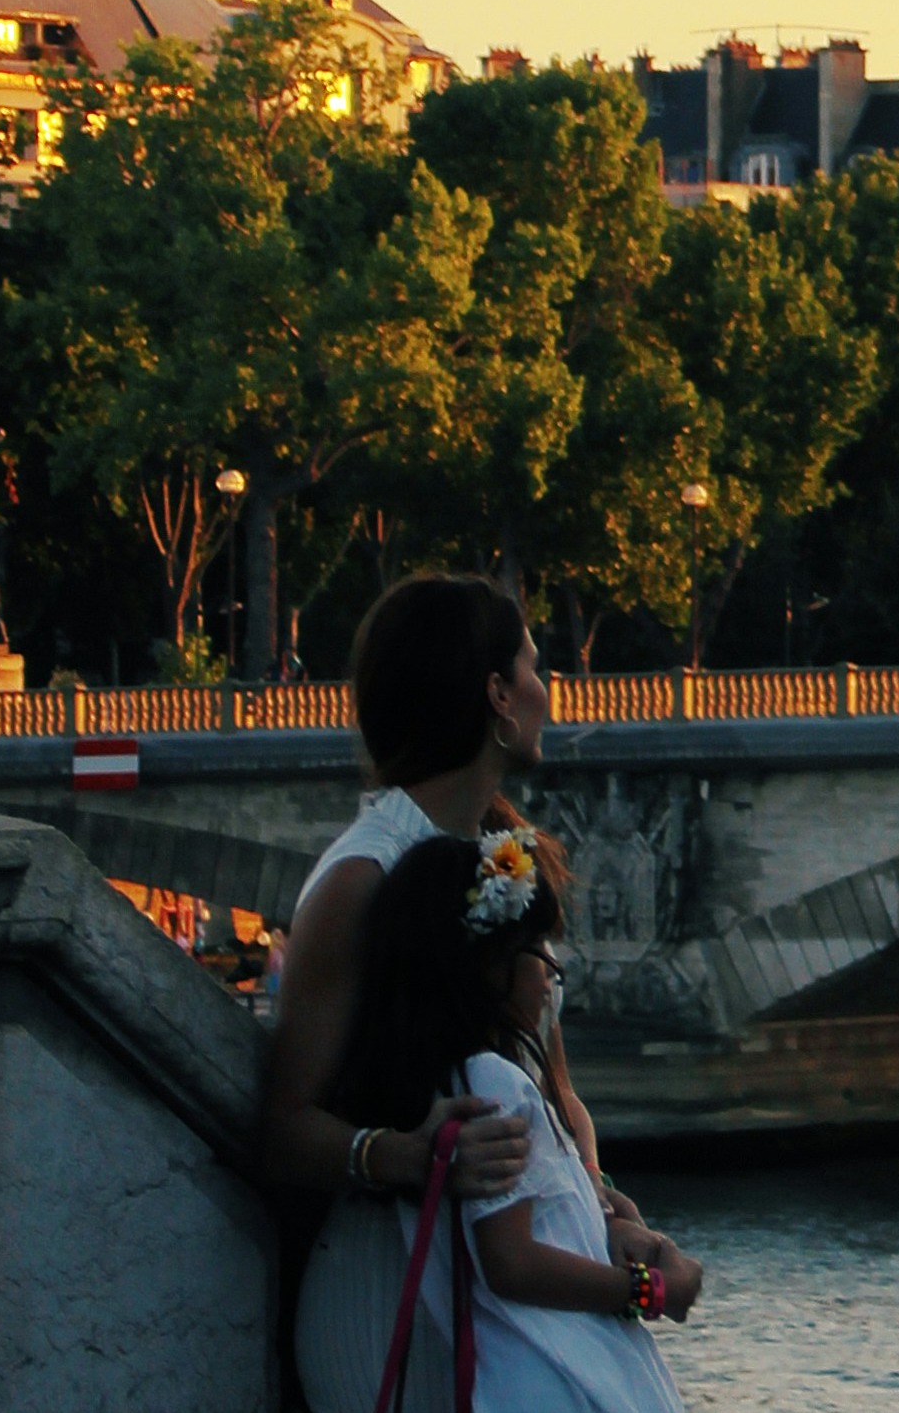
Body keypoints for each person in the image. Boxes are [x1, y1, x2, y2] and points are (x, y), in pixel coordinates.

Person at [265, 575, 655, 1413]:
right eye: (535, 668)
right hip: (394, 1293)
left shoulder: (510, 856)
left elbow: (556, 1090)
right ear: (497, 697)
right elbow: (281, 1127)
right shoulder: (358, 878)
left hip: (517, 1301)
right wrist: (405, 1154)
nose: (550, 693)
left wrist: (597, 1197)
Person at [336, 830, 699, 1409]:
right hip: (555, 1374)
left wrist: (602, 1205)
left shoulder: (449, 1080)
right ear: (488, 964)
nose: (551, 970)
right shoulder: (494, 1082)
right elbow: (511, 1264)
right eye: (539, 949)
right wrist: (650, 1291)